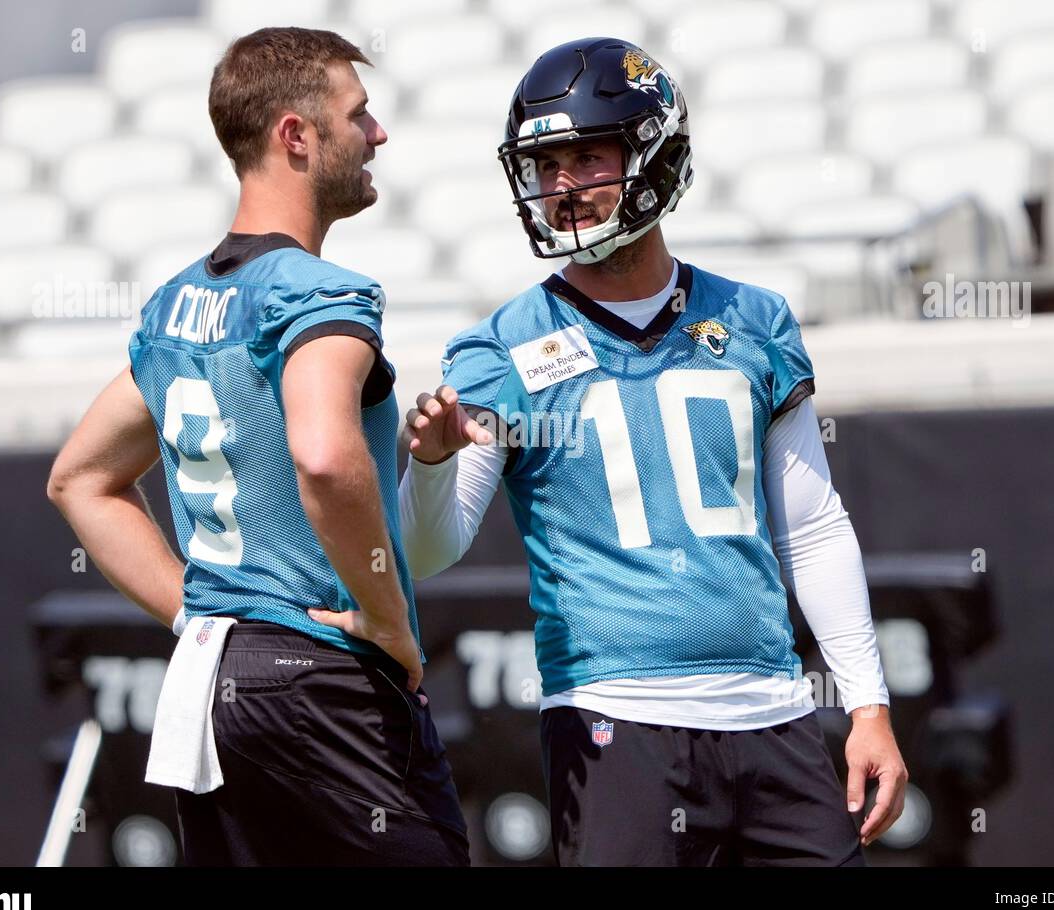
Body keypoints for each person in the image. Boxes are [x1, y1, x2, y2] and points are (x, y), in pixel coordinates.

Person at [397, 38, 906, 865]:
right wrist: (428, 468)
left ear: (656, 155)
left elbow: (810, 528)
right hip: (613, 722)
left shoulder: (756, 319)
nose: (561, 187)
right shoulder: (502, 347)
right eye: (544, 164)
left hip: (773, 713)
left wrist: (869, 707)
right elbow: (428, 549)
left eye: (586, 157)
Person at [47, 27, 467, 866]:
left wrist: (204, 614)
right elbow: (323, 455)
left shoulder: (176, 305)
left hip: (213, 687)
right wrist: (389, 623)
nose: (377, 134)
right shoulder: (320, 293)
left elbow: (79, 479)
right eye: (360, 115)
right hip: (324, 679)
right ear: (296, 136)